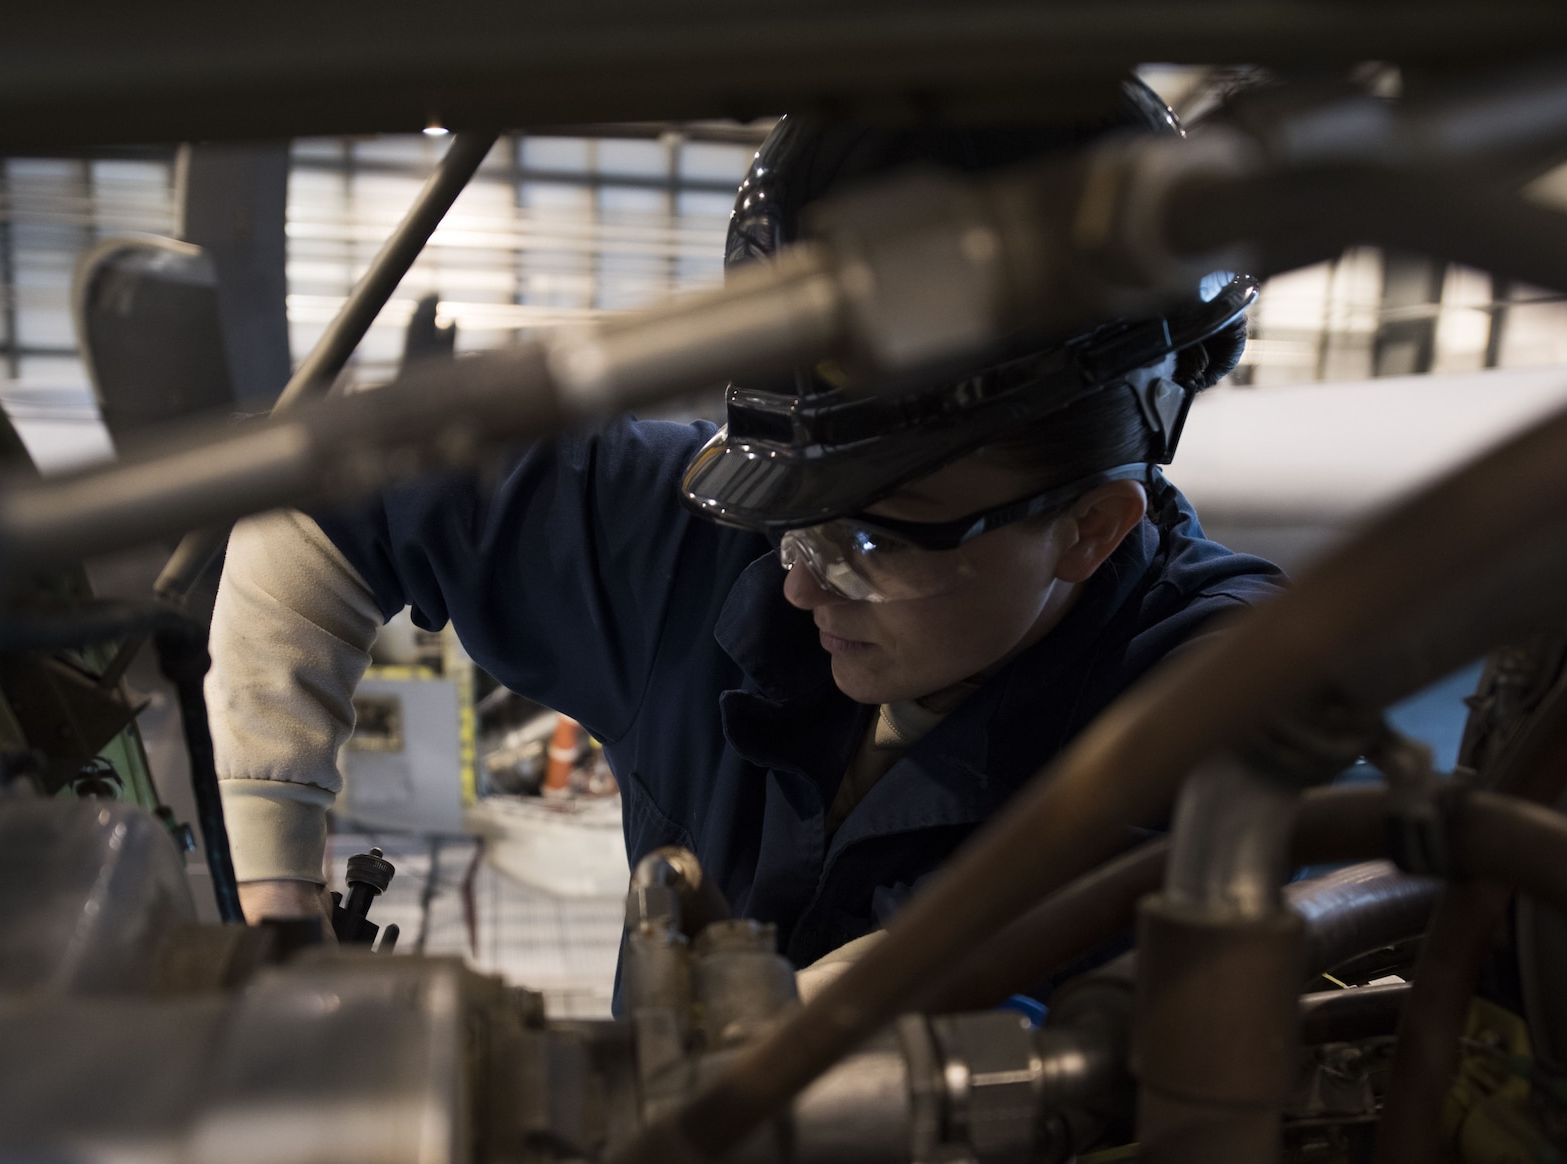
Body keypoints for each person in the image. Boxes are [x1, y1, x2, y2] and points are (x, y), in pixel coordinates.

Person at [204, 84, 1285, 990]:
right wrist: (278, 900)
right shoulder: (689, 544)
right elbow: (315, 496)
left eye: (866, 546)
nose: (800, 590)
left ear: (1087, 532)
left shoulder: (1219, 692)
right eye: (788, 526)